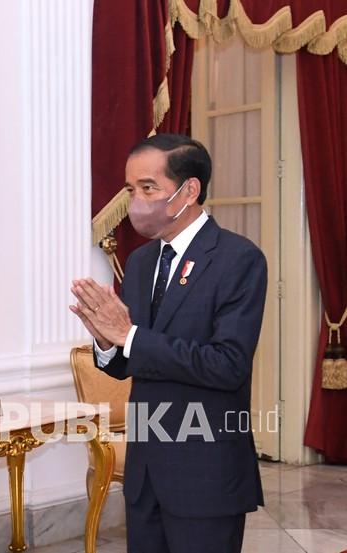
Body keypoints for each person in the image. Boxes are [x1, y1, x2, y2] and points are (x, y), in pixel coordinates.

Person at [70, 134, 267, 553]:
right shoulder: (142, 262)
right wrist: (107, 343)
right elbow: (131, 360)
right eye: (129, 190)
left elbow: (228, 364)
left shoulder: (238, 259)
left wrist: (129, 335)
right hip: (146, 473)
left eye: (148, 188)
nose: (136, 200)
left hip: (205, 473)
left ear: (189, 190)